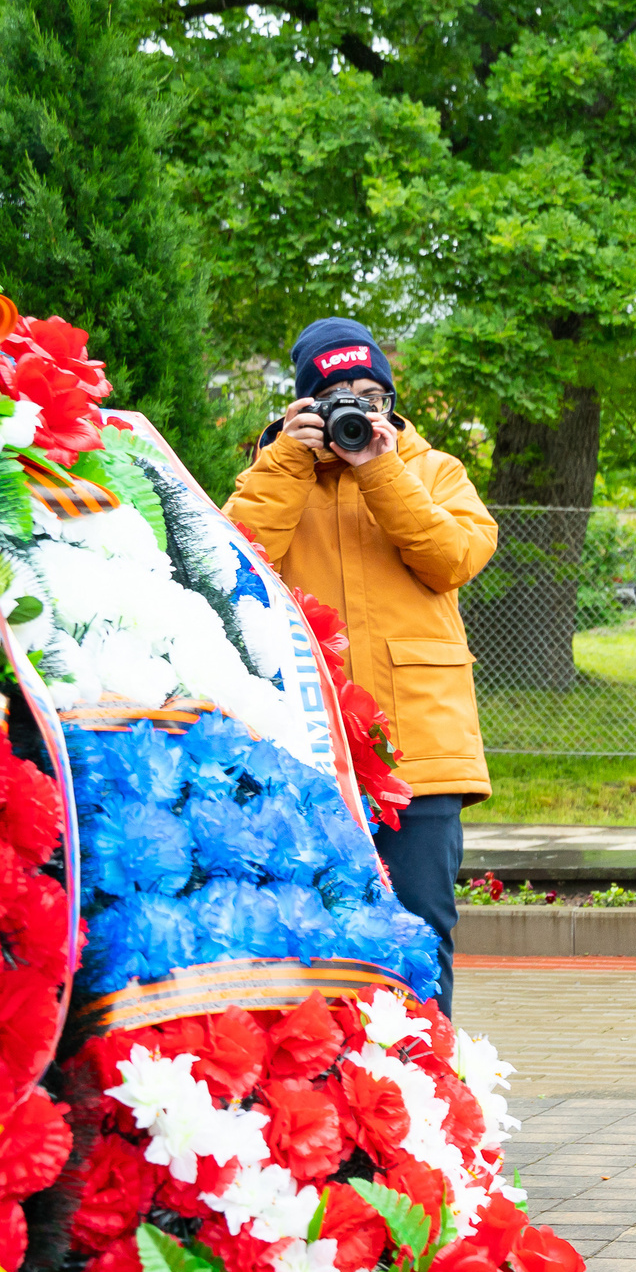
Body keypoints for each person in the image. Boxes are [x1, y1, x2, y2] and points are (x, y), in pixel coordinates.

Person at [226, 318, 497, 1012]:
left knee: (419, 930)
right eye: (336, 395)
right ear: (304, 407)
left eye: (370, 395)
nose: (357, 410)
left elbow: (452, 559)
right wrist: (286, 460)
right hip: (310, 748)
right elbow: (232, 569)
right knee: (315, 938)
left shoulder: (433, 471)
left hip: (420, 755)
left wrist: (380, 467)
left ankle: (433, 1101)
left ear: (391, 400)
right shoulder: (274, 472)